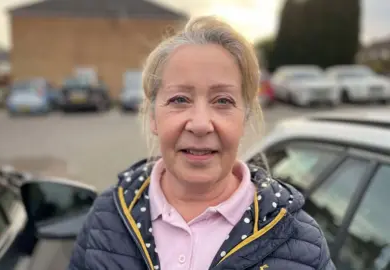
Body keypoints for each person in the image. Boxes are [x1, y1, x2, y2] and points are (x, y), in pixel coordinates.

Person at [68, 15, 335, 270]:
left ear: (245, 117)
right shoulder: (106, 215)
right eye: (179, 99)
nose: (200, 124)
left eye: (223, 101)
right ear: (153, 116)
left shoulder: (302, 242)